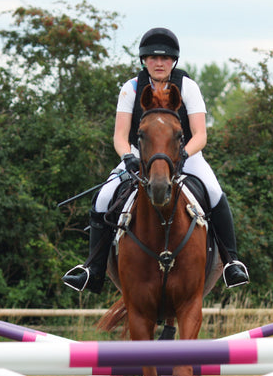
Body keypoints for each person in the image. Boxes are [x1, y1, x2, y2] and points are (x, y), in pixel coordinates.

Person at [62, 27, 250, 293]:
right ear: (144, 60)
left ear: (173, 61)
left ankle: (232, 262)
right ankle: (92, 270)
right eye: (152, 58)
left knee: (214, 191)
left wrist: (183, 154)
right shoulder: (131, 88)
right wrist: (127, 156)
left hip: (184, 154)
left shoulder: (188, 87)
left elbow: (200, 134)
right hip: (140, 155)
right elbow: (119, 135)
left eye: (164, 58)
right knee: (104, 196)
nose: (159, 63)